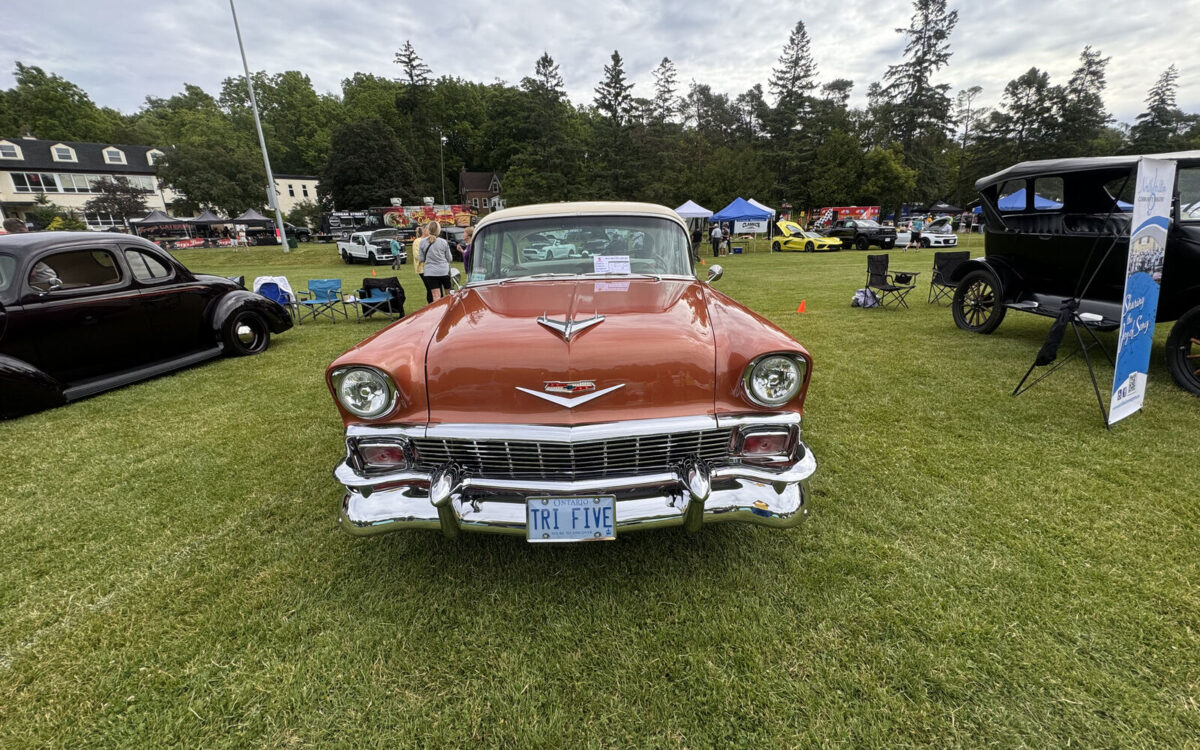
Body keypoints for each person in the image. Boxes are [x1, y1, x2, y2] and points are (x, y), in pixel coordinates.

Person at [419, 221, 454, 302]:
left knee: (436, 296)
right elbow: (450, 259)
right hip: (444, 271)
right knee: (449, 295)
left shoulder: (422, 242)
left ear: (428, 229)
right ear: (439, 230)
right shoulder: (443, 242)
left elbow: (421, 259)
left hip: (430, 272)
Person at [412, 225, 431, 303]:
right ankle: (431, 305)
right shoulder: (417, 241)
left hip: (432, 267)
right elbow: (417, 255)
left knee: (435, 288)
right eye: (428, 229)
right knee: (430, 288)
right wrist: (429, 259)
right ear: (424, 231)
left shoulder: (431, 239)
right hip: (422, 269)